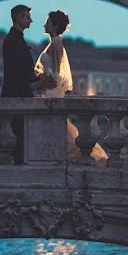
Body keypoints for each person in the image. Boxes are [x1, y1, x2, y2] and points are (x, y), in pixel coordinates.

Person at [33, 10, 107, 163]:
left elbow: (55, 72)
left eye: (48, 22)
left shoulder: (56, 43)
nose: (44, 25)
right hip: (49, 90)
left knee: (57, 125)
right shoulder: (54, 43)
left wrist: (42, 79)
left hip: (52, 90)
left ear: (54, 26)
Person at [0, 4, 57, 163]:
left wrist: (39, 79)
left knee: (20, 144)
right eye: (28, 17)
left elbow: (23, 73)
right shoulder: (13, 41)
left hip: (19, 96)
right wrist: (41, 81)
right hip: (17, 98)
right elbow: (17, 76)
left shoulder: (16, 39)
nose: (31, 20)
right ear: (19, 18)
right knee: (18, 144)